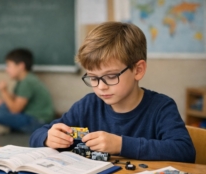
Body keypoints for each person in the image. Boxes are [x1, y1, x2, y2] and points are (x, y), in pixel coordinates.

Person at [29, 22, 196, 163]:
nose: (101, 87)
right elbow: (37, 135)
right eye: (93, 77)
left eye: (110, 76)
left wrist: (121, 145)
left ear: (138, 70)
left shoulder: (161, 107)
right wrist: (47, 138)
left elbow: (185, 151)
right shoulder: (88, 105)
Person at [0, 48, 54, 133]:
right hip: (28, 116)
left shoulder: (27, 82)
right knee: (2, 107)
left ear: (21, 66)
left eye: (9, 66)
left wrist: (4, 91)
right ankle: (3, 126)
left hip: (37, 122)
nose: (6, 69)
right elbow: (14, 101)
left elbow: (15, 110)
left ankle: (1, 126)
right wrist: (0, 102)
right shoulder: (23, 80)